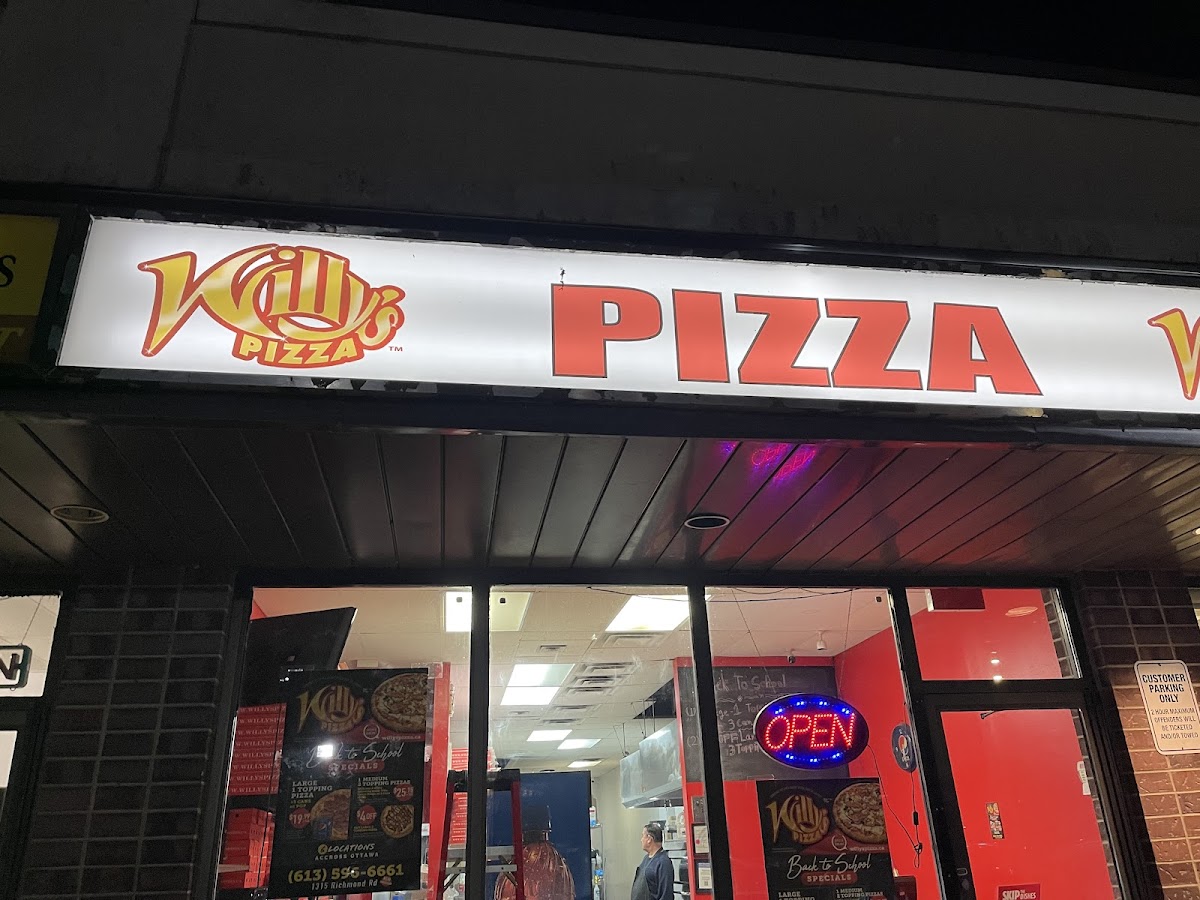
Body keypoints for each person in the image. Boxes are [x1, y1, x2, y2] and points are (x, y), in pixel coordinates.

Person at [631, 822, 674, 900]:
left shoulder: (663, 863)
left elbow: (666, 894)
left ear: (649, 839)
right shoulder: (646, 859)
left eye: (643, 836)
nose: (641, 840)